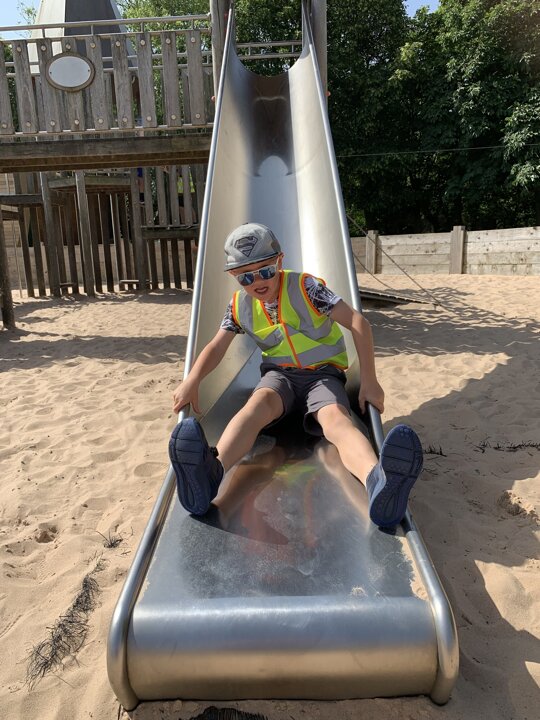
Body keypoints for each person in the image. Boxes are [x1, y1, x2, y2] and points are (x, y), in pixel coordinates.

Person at [168, 223, 423, 528]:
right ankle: (212, 473)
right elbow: (216, 346)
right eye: (246, 277)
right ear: (234, 275)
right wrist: (192, 380)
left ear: (279, 261)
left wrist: (369, 379)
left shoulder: (306, 288)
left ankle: (377, 481)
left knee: (336, 419)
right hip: (280, 377)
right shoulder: (239, 306)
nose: (257, 282)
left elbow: (358, 322)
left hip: (322, 375)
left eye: (265, 271)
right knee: (254, 407)